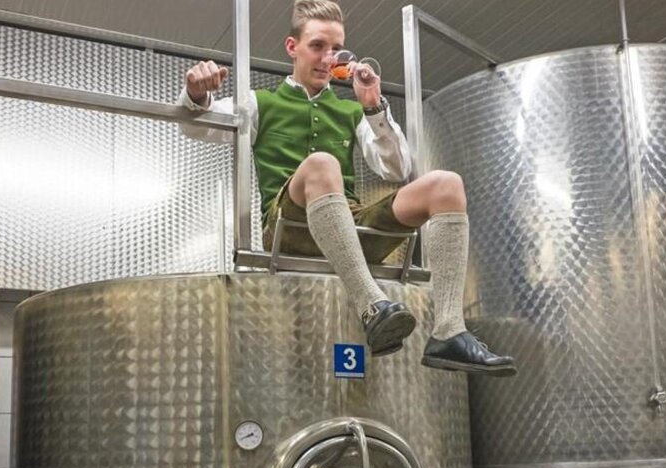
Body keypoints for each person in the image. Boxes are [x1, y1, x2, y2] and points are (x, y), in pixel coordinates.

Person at [178, 0, 514, 376]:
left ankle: (449, 331)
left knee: (446, 185)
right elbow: (197, 127)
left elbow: (397, 169)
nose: (328, 58)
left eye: (336, 48)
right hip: (288, 230)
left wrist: (372, 106)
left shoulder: (350, 110)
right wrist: (196, 94)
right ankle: (371, 304)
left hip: (350, 228)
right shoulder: (260, 102)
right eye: (318, 46)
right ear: (293, 48)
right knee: (323, 163)